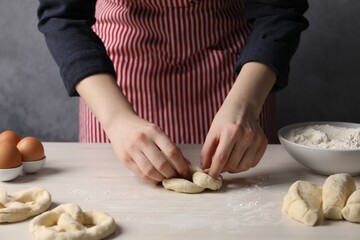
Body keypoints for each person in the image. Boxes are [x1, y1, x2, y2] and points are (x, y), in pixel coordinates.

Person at [37, 0, 308, 184]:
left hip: (237, 80)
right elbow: (63, 14)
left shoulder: (243, 97)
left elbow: (279, 9)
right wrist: (117, 119)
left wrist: (246, 105)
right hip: (115, 83)